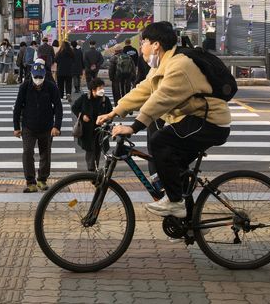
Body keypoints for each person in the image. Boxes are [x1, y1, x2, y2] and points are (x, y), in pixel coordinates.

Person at [96, 21, 231, 218]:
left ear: (156, 44)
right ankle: (189, 223)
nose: (141, 47)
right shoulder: (163, 64)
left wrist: (133, 127)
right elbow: (144, 90)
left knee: (160, 140)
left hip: (209, 122)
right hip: (194, 119)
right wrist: (114, 112)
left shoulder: (180, 65)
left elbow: (161, 98)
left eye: (143, 42)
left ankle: (175, 203)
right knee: (176, 169)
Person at [13, 61, 62, 193]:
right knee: (28, 152)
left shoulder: (51, 87)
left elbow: (58, 107)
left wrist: (56, 126)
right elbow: (17, 107)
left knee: (45, 154)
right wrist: (16, 127)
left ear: (44, 76)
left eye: (41, 77)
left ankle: (42, 179)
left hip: (47, 126)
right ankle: (30, 182)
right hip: (29, 126)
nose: (38, 80)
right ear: (32, 75)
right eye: (36, 77)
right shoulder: (24, 87)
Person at [72, 78, 112, 172]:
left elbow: (111, 113)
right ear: (93, 90)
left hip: (100, 130)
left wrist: (105, 120)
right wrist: (82, 116)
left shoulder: (105, 100)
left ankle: (95, 169)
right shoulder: (84, 98)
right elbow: (74, 108)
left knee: (98, 150)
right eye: (100, 88)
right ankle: (91, 171)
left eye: (103, 88)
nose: (102, 90)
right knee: (90, 151)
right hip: (88, 130)